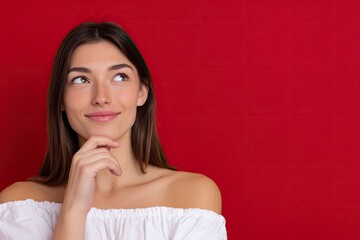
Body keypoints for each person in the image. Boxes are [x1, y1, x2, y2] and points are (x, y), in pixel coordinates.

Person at [0, 22, 227, 239]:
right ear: (61, 99)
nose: (101, 97)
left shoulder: (191, 196)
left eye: (119, 77)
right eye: (81, 80)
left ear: (141, 93)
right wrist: (74, 209)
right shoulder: (18, 206)